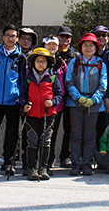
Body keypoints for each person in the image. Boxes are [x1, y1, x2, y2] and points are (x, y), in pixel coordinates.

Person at [0, 24, 27, 176]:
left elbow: (23, 81)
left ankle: (9, 161)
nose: (10, 38)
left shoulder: (21, 58)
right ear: (2, 37)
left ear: (17, 39)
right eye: (7, 35)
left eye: (13, 36)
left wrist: (22, 100)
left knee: (11, 134)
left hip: (13, 101)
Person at [65, 33, 107, 176]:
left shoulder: (100, 64)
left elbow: (103, 84)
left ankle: (87, 163)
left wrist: (93, 99)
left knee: (90, 135)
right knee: (76, 134)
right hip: (75, 103)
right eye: (85, 45)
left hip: (94, 105)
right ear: (80, 47)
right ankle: (75, 163)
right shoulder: (74, 62)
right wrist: (79, 97)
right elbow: (68, 81)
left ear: (96, 48)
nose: (88, 48)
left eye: (91, 45)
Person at [19, 48, 63, 181]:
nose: (41, 64)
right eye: (38, 61)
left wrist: (53, 102)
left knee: (46, 141)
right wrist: (24, 105)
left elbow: (59, 95)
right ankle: (31, 168)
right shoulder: (28, 78)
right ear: (33, 63)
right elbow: (22, 95)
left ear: (48, 63)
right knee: (32, 141)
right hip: (31, 115)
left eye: (43, 61)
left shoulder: (53, 77)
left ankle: (43, 167)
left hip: (48, 115)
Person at [41, 36, 67, 176]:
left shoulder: (61, 63)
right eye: (49, 44)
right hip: (39, 105)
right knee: (38, 135)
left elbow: (66, 82)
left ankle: (48, 163)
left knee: (51, 136)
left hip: (57, 106)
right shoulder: (37, 60)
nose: (51, 47)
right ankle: (33, 163)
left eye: (54, 45)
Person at [55, 26, 80, 168]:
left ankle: (66, 156)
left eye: (68, 36)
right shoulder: (52, 52)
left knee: (69, 129)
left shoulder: (75, 55)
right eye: (62, 36)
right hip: (56, 97)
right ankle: (49, 157)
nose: (65, 39)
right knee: (53, 128)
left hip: (70, 96)